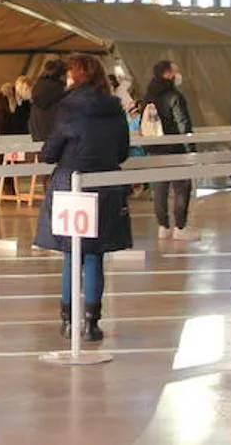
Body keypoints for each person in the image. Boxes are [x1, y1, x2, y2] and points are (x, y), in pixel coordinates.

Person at [34, 53, 132, 342]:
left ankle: (67, 321)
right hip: (105, 187)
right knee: (95, 256)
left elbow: (49, 153)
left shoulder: (67, 108)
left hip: (71, 186)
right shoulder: (115, 108)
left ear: (75, 77)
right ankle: (92, 323)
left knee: (71, 255)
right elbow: (123, 152)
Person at [143, 60, 199, 242]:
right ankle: (180, 227)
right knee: (182, 188)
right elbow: (182, 122)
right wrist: (190, 148)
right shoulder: (174, 96)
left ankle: (163, 226)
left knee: (160, 188)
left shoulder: (148, 95)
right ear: (167, 74)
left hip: (154, 148)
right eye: (175, 72)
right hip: (175, 148)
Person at [30, 60, 67, 143]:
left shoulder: (37, 90)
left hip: (39, 145)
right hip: (58, 147)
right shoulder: (60, 94)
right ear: (62, 75)